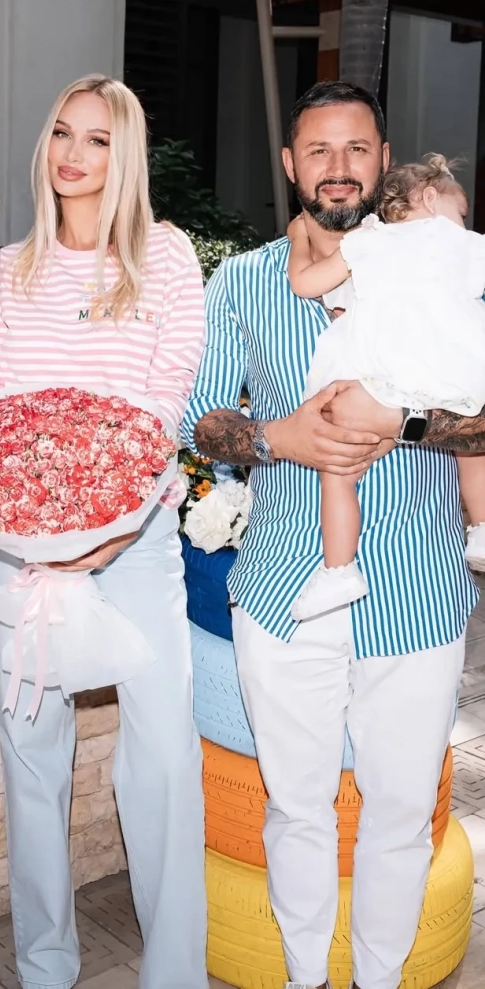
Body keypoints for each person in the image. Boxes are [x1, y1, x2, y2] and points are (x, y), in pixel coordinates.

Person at [182, 80, 482, 989]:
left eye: (357, 148)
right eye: (319, 150)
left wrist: (408, 424)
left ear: (384, 160)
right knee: (296, 808)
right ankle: (307, 977)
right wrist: (280, 438)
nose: (338, 167)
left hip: (419, 593)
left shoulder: (443, 261)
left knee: (400, 816)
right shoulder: (242, 282)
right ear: (290, 164)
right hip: (284, 590)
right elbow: (203, 424)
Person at [0, 74, 208, 989]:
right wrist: (32, 536)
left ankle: (174, 973)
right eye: (62, 133)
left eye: (98, 139)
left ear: (126, 156)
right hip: (23, 548)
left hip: (135, 539)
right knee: (31, 757)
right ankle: (45, 967)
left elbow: (164, 405)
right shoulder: (12, 268)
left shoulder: (166, 257)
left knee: (163, 754)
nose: (73, 154)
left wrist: (110, 533)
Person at [285, 154, 485, 620]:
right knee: (472, 445)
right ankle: (480, 528)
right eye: (460, 213)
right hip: (449, 372)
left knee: (339, 472)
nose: (462, 223)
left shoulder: (367, 240)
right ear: (431, 198)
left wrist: (298, 238)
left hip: (378, 379)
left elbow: (305, 284)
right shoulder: (460, 243)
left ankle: (339, 570)